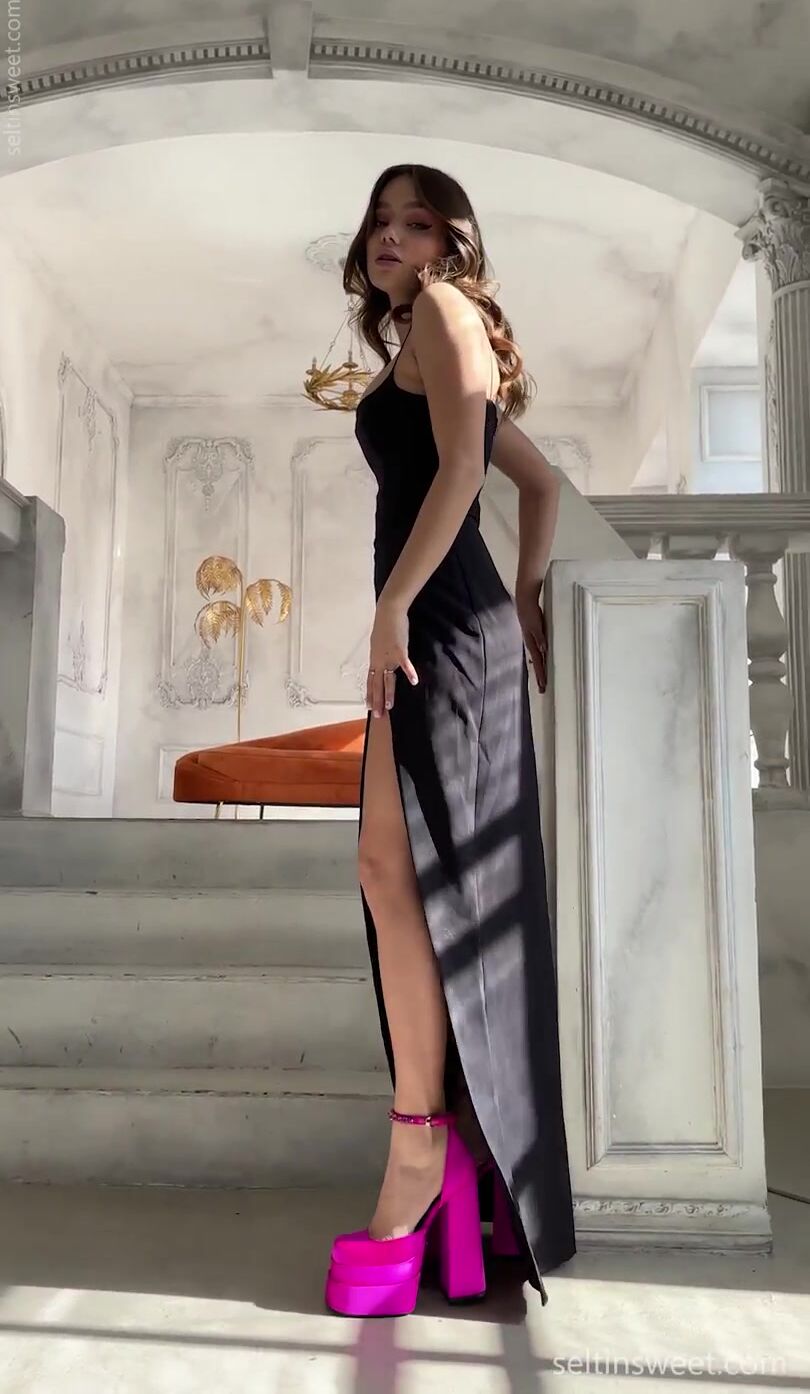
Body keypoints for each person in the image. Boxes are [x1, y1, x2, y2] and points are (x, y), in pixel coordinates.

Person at [324, 164, 575, 1318]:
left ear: (450, 241)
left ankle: (423, 1148)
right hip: (448, 616)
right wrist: (523, 588)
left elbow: (471, 470)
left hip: (439, 624)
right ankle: (432, 1138)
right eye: (380, 221)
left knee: (406, 877)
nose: (391, 236)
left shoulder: (442, 307)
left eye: (415, 221)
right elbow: (540, 483)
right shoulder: (427, 336)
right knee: (390, 873)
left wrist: (396, 605)